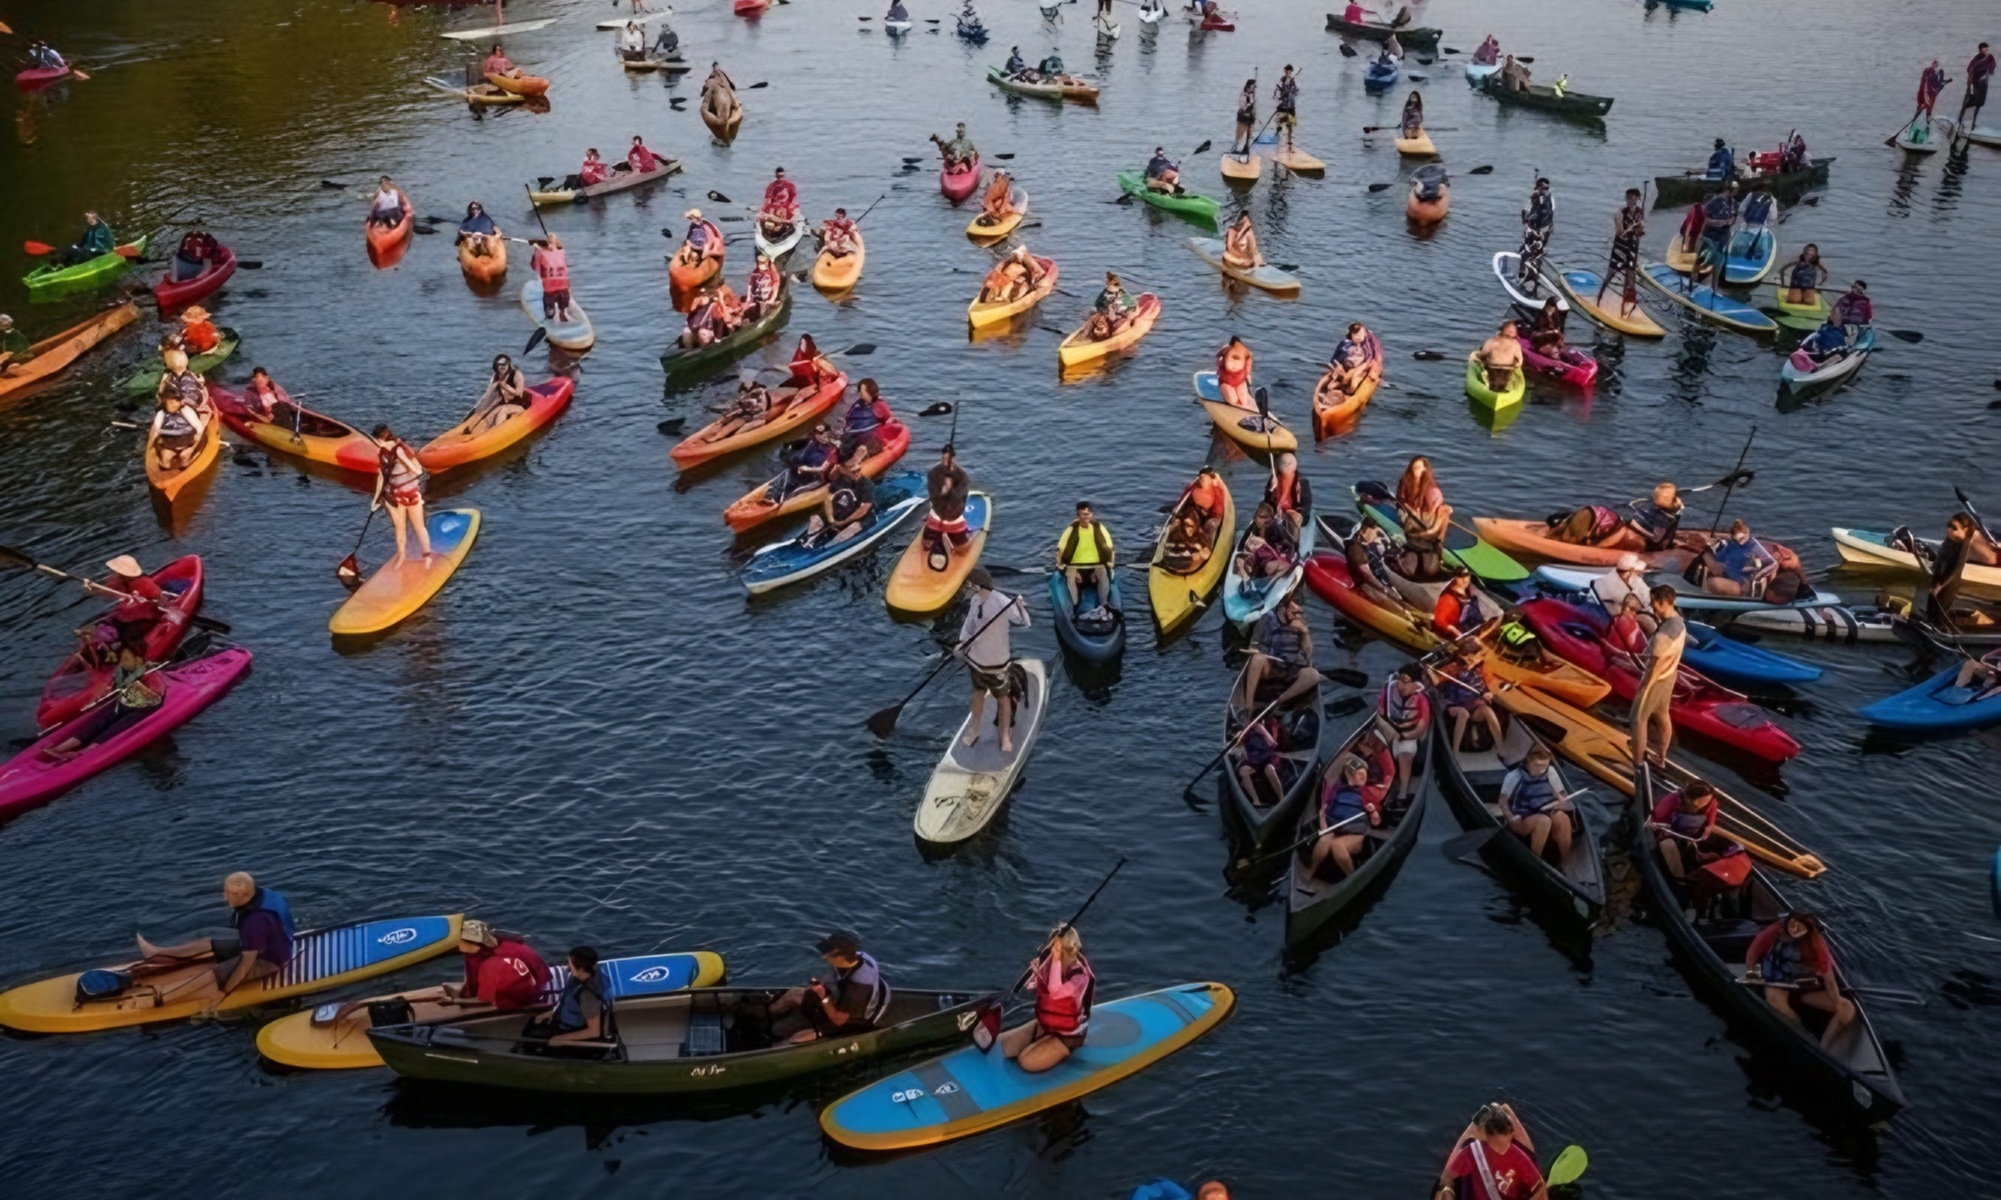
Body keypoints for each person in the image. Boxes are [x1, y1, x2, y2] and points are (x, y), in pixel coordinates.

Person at [127, 873, 297, 1005]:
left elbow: (245, 965)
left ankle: (161, 998)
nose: (224, 897)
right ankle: (157, 953)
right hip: (265, 945)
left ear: (240, 896)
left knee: (213, 973)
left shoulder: (257, 921)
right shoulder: (262, 894)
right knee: (207, 943)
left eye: (227, 893)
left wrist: (224, 992)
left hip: (270, 961)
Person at [40, 635, 164, 761]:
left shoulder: (148, 671)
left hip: (148, 702)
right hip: (132, 697)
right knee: (102, 717)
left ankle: (86, 751)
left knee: (119, 724)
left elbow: (154, 694)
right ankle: (64, 747)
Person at [1745, 910, 1855, 1051]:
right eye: (1792, 924)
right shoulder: (1776, 930)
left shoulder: (1815, 942)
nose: (1794, 929)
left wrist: (1836, 1001)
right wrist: (1750, 972)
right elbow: (1754, 950)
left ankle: (1825, 1048)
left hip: (1802, 987)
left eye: (1800, 927)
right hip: (1777, 981)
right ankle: (1805, 1037)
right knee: (1775, 1001)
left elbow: (1828, 977)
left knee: (1846, 1008)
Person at [766, 931, 892, 1043]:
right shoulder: (859, 956)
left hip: (847, 1022)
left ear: (840, 957)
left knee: (794, 1038)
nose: (823, 956)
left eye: (827, 954)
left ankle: (777, 1045)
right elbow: (834, 976)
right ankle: (767, 1016)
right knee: (793, 994)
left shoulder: (856, 991)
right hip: (839, 999)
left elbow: (838, 1020)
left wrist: (824, 996)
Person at [1001, 926, 1095, 1073]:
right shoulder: (1048, 962)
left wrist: (1056, 960)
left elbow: (1055, 992)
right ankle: (1043, 1037)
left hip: (1069, 1035)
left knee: (1025, 1062)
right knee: (1007, 1048)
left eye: (1056, 950)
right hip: (1047, 1024)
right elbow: (1031, 981)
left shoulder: (1080, 978)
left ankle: (1062, 1048)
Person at [958, 566, 1031, 751]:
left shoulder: (1002, 602)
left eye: (967, 584)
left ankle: (1004, 736)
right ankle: (974, 730)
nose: (965, 588)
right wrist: (962, 643)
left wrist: (1020, 606)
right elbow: (969, 626)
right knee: (978, 693)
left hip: (996, 664)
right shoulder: (975, 600)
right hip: (976, 662)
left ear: (976, 585)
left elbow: (1023, 622)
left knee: (1003, 698)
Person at [1304, 732, 1394, 879]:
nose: (1364, 779)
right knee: (1325, 840)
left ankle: (1352, 877)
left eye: (1364, 777)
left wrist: (1373, 812)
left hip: (1357, 833)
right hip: (1337, 828)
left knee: (1337, 846)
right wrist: (1324, 826)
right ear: (1350, 775)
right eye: (1361, 776)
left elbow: (1376, 822)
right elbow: (1324, 811)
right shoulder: (1337, 790)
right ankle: (1310, 873)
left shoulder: (1366, 793)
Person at [1436, 1102, 1547, 1200]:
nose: (1503, 1149)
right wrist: (1448, 1192)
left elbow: (1540, 1187)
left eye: (1506, 1143)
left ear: (1511, 1135)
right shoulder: (1473, 1153)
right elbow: (1448, 1179)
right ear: (1488, 1140)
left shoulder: (1518, 1158)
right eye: (1499, 1145)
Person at [442, 919, 551, 1011]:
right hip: (538, 977)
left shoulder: (492, 960)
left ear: (472, 943)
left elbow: (484, 995)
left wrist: (456, 1000)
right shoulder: (502, 943)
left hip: (530, 990)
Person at [1239, 589, 1320, 713]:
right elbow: (1255, 643)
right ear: (1285, 608)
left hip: (1292, 669)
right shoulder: (1268, 618)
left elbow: (1308, 653)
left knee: (1313, 675)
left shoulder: (1300, 621)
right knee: (1257, 658)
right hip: (1271, 667)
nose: (1297, 616)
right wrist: (1255, 650)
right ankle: (1248, 706)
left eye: (1300, 612)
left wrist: (1305, 632)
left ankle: (1279, 701)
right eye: (1294, 612)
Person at [1630, 584, 1684, 767]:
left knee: (1637, 719)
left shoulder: (1664, 634)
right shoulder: (1679, 622)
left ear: (1663, 603)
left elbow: (1656, 664)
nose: (1651, 606)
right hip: (1670, 676)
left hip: (1657, 679)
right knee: (1662, 714)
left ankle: (1637, 764)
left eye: (1653, 602)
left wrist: (1646, 686)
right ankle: (1661, 757)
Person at [1500, 742, 1580, 863]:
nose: (1540, 770)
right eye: (1537, 766)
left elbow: (1560, 795)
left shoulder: (1551, 772)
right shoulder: (1514, 776)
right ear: (1527, 760)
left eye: (1544, 766)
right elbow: (1502, 802)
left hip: (1546, 810)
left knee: (1562, 818)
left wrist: (1562, 801)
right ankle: (1535, 861)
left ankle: (1565, 862)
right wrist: (1511, 818)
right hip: (1523, 816)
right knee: (1543, 821)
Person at [370, 423, 433, 563]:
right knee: (400, 528)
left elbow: (418, 471)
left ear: (381, 439)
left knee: (418, 526)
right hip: (395, 495)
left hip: (411, 494)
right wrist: (376, 498)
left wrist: (402, 460)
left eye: (376, 440)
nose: (375, 444)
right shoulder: (382, 453)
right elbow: (381, 476)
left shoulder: (400, 451)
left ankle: (427, 556)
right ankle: (402, 556)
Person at [801, 443, 879, 548]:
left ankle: (829, 548)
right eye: (851, 469)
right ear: (843, 470)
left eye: (858, 469)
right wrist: (831, 520)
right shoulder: (840, 481)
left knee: (852, 528)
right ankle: (808, 543)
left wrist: (842, 522)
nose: (856, 471)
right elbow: (828, 500)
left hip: (859, 519)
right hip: (839, 517)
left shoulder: (867, 485)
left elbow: (863, 509)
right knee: (815, 518)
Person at [1436, 639, 1504, 752]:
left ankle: (1501, 748)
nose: (1475, 659)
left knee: (1487, 711)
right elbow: (1437, 680)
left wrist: (1489, 694)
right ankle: (1455, 751)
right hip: (1453, 703)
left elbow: (1490, 687)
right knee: (1463, 714)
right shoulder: (1454, 667)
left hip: (1471, 704)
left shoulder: (1481, 670)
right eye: (1479, 655)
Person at [536, 947, 612, 1047]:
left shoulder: (587, 996)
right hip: (563, 1019)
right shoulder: (590, 972)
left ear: (580, 969)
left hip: (571, 1031)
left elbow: (594, 1031)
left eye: (570, 964)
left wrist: (560, 1039)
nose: (567, 967)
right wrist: (552, 1013)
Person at [1378, 666, 1431, 802]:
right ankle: (1380, 786)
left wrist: (1406, 736)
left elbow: (1423, 724)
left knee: (1405, 756)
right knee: (1376, 746)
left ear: (1415, 684)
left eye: (1405, 681)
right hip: (1389, 731)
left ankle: (1403, 792)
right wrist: (1387, 730)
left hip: (1409, 736)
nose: (1400, 684)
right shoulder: (1389, 690)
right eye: (1399, 680)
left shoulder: (1421, 698)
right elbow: (1380, 711)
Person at [1394, 455, 1450, 580]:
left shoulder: (1431, 490)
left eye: (1419, 467)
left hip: (1427, 528)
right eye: (1415, 467)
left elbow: (1436, 510)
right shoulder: (1405, 483)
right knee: (1410, 569)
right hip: (1411, 525)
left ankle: (1437, 545)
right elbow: (1400, 502)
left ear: (1425, 469)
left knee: (1430, 570)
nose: (1416, 469)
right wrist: (1410, 511)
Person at [1056, 501, 1115, 613]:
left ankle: (1104, 604)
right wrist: (1060, 565)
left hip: (1096, 566)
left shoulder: (1099, 528)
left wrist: (1111, 563)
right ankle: (1074, 606)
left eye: (1088, 514)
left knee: (1102, 572)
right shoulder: (1071, 530)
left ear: (1092, 514)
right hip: (1075, 567)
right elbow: (1061, 549)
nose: (1086, 517)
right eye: (1083, 514)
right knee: (1071, 575)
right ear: (1078, 515)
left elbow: (1109, 546)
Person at [921, 443, 972, 568]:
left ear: (954, 459)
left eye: (949, 459)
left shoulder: (962, 476)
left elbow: (961, 497)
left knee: (963, 549)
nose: (946, 461)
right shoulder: (933, 473)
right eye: (944, 458)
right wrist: (942, 492)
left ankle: (957, 543)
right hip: (937, 515)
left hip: (953, 516)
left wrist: (950, 489)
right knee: (926, 543)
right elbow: (933, 495)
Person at [1699, 520, 1778, 597]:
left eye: (1743, 538)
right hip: (1728, 574)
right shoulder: (1731, 543)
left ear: (1747, 533)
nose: (1740, 542)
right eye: (1737, 540)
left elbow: (1773, 563)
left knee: (1714, 583)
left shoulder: (1754, 546)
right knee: (1706, 556)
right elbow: (1720, 557)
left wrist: (1757, 577)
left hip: (1743, 581)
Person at [148, 381, 209, 474]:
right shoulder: (161, 413)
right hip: (170, 444)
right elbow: (156, 432)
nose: (174, 404)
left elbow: (199, 430)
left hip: (188, 443)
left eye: (177, 401)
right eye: (171, 402)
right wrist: (150, 448)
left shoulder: (186, 411)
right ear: (164, 401)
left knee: (184, 462)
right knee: (164, 464)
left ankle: (191, 457)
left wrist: (191, 449)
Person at [1344, 519, 1403, 611]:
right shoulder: (1355, 549)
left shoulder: (1367, 547)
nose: (1376, 536)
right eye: (1375, 532)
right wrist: (1384, 589)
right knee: (1397, 607)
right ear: (1365, 531)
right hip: (1368, 588)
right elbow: (1366, 573)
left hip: (1380, 584)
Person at [1318, 322, 1383, 404]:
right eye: (1356, 334)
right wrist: (1333, 365)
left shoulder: (1366, 347)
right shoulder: (1345, 344)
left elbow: (1371, 358)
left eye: (1361, 334)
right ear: (1351, 334)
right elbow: (1336, 356)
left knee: (1353, 383)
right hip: (1344, 366)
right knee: (1333, 383)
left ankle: (1348, 393)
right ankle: (1336, 389)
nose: (1359, 337)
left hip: (1357, 369)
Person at [465, 354, 531, 434]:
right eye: (500, 364)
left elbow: (519, 393)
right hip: (505, 404)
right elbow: (489, 392)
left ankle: (498, 433)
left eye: (505, 364)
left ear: (508, 364)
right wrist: (481, 407)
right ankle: (476, 433)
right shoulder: (495, 376)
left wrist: (505, 387)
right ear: (496, 365)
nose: (502, 366)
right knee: (490, 414)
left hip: (520, 405)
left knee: (502, 410)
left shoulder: (516, 374)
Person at [1174, 464, 1229, 552]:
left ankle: (1208, 546)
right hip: (1198, 515)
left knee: (1211, 524)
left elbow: (1218, 512)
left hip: (1209, 516)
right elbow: (1182, 503)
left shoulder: (1214, 490)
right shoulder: (1193, 488)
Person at [1590, 553, 1654, 626]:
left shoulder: (1629, 579)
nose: (1638, 575)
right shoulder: (1614, 588)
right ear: (1629, 572)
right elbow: (1644, 602)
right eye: (1636, 572)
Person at [840, 376, 896, 453]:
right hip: (854, 435)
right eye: (859, 391)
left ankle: (859, 455)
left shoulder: (879, 405)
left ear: (870, 392)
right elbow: (849, 418)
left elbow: (888, 421)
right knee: (843, 447)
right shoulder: (858, 404)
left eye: (862, 392)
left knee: (867, 440)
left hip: (869, 438)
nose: (860, 394)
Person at [1265, 452, 1310, 546]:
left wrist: (1297, 515)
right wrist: (1271, 490)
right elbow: (1267, 502)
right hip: (1277, 516)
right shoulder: (1274, 480)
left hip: (1294, 517)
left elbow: (1306, 506)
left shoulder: (1302, 483)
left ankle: (1293, 546)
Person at [1431, 570, 1487, 641]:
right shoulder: (1448, 599)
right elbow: (1440, 621)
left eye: (1467, 575)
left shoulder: (1472, 592)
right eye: (1461, 575)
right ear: (1455, 577)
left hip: (1475, 631)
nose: (1465, 579)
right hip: (1452, 637)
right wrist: (1456, 632)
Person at [1518, 177, 1554, 285]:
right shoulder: (1533, 198)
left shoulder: (1549, 199)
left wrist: (1550, 227)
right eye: (1543, 188)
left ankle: (1534, 275)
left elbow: (1551, 213)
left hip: (1544, 228)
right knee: (1527, 251)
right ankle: (1522, 272)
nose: (1545, 190)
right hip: (1532, 228)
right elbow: (1525, 212)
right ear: (1538, 187)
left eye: (1547, 188)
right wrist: (1527, 225)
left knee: (1539, 253)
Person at [1474, 320, 1524, 399]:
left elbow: (1483, 354)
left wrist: (1478, 356)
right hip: (1507, 369)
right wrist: (1517, 367)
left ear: (1501, 331)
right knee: (1503, 382)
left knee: (1492, 381)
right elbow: (1520, 360)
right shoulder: (1515, 344)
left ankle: (1488, 386)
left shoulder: (1491, 341)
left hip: (1492, 368)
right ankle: (1505, 389)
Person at [980, 245, 1045, 304]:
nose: (1016, 257)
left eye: (1017, 256)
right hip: (1005, 280)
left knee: (1005, 295)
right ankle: (992, 296)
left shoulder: (1026, 268)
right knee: (993, 284)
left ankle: (1004, 298)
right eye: (1015, 256)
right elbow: (999, 269)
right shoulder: (1008, 263)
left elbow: (1032, 277)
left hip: (1015, 283)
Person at [1087, 271, 1138, 340]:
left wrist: (1131, 315)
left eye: (1113, 292)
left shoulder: (1124, 296)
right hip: (1106, 313)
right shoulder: (1104, 293)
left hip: (1120, 315)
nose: (1111, 293)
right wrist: (1101, 312)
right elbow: (1098, 303)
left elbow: (1133, 304)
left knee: (1117, 330)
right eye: (1109, 291)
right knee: (1095, 320)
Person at [1780, 242, 1827, 307]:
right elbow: (1783, 269)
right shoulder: (1799, 263)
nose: (1808, 256)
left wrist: (1821, 282)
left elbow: (1825, 273)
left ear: (1815, 255)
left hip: (1809, 286)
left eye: (1810, 254)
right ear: (1804, 254)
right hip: (1796, 286)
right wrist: (1782, 282)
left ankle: (1804, 294)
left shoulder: (1816, 264)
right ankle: (1796, 294)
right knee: (1794, 300)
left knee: (1809, 302)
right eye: (1806, 254)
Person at [1961, 42, 1997, 127]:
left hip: (1983, 82)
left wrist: (1989, 72)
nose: (1986, 49)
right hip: (1975, 81)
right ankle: (1961, 118)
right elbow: (1970, 68)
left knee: (1980, 102)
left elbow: (1993, 65)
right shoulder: (1977, 57)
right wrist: (1971, 78)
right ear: (1980, 49)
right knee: (1972, 99)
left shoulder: (1989, 57)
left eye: (1986, 48)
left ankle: (1973, 122)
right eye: (1984, 48)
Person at [760, 166, 799, 242]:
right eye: (778, 177)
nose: (780, 179)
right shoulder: (771, 188)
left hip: (784, 213)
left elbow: (793, 200)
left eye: (782, 176)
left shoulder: (790, 187)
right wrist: (765, 214)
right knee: (766, 219)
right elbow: (766, 201)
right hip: (775, 213)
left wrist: (779, 219)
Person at [1213, 336, 1254, 409]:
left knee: (1244, 402)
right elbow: (1218, 356)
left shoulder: (1245, 352)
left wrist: (1248, 375)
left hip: (1240, 381)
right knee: (1233, 400)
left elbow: (1249, 363)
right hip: (1226, 381)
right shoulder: (1226, 350)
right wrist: (1219, 368)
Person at [742, 252, 783, 322]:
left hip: (767, 297)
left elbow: (775, 285)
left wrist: (772, 299)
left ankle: (756, 315)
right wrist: (748, 299)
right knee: (747, 309)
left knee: (761, 308)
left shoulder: (772, 272)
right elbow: (750, 286)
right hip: (757, 296)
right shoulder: (755, 272)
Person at [1273, 66, 1300, 149]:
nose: (1288, 72)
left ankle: (1290, 144)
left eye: (1290, 71)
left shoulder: (1293, 82)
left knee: (1291, 125)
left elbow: (1297, 91)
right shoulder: (1281, 81)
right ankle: (1280, 143)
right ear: (1285, 71)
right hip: (1282, 106)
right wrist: (1283, 95)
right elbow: (1276, 93)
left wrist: (1291, 92)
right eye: (1287, 71)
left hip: (1291, 106)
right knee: (1280, 126)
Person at [1232, 77, 1257, 155]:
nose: (1254, 88)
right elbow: (1242, 105)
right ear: (1249, 86)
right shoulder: (1244, 94)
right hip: (1243, 117)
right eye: (1253, 86)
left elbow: (1253, 106)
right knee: (1239, 133)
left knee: (1249, 134)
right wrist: (1249, 105)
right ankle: (1234, 149)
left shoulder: (1252, 95)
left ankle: (1246, 148)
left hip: (1250, 117)